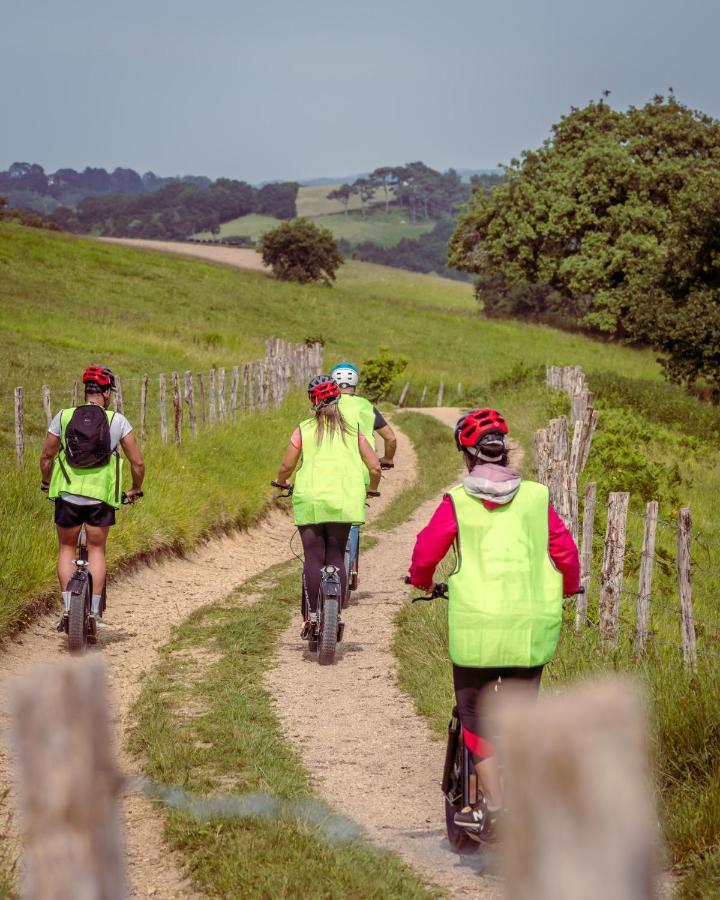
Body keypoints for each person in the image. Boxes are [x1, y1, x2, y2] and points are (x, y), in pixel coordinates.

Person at [407, 408, 579, 839]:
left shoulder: (458, 501)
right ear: (505, 452)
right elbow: (565, 553)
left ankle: (498, 805)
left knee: (474, 716)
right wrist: (568, 587)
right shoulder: (538, 498)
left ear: (467, 455)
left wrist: (423, 581)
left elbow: (428, 552)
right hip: (529, 626)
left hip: (477, 628)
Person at [274, 375, 381, 637]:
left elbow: (287, 466)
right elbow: (375, 466)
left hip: (310, 500)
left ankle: (311, 617)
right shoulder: (353, 430)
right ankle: (336, 615)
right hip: (344, 501)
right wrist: (373, 488)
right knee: (335, 555)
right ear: (338, 397)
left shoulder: (303, 429)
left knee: (313, 556)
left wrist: (280, 482)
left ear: (313, 401)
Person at [40, 366, 145, 627]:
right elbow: (138, 463)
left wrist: (45, 481)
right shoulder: (117, 421)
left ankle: (67, 609)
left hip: (67, 494)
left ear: (86, 390)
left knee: (66, 547)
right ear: (107, 392)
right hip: (101, 498)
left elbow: (46, 456)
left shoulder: (63, 417)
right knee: (97, 549)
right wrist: (135, 488)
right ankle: (94, 613)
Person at [331, 361, 397, 585]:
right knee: (354, 518)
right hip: (361, 469)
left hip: (329, 467)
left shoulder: (326, 404)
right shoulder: (367, 406)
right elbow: (391, 438)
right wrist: (387, 459)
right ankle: (351, 571)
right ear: (355, 383)